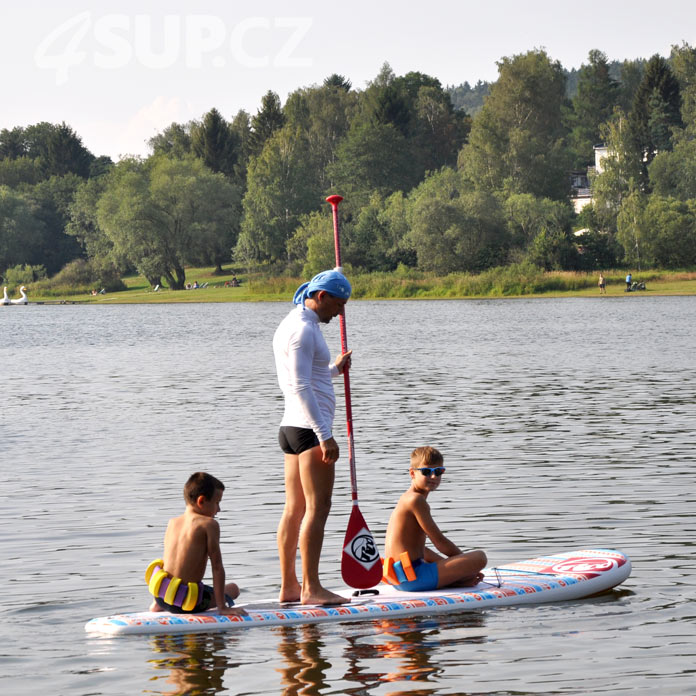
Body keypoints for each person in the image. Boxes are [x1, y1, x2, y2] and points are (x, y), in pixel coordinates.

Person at [273, 269, 353, 606]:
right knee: (318, 509)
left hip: (293, 429)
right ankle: (311, 588)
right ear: (321, 296)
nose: (340, 312)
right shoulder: (303, 331)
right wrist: (326, 436)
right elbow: (301, 387)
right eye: (338, 303)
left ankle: (290, 587)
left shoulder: (294, 324)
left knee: (295, 509)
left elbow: (311, 375)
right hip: (309, 431)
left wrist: (335, 369)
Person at [384, 446, 487, 592]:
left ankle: (456, 582)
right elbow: (440, 542)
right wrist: (469, 568)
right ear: (412, 473)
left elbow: (422, 550)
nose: (434, 477)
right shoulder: (416, 500)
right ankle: (457, 581)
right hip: (415, 579)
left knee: (429, 554)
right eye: (427, 472)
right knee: (480, 557)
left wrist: (454, 566)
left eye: (438, 472)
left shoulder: (405, 498)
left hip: (399, 581)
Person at [148, 472, 243, 615]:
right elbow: (217, 567)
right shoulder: (209, 524)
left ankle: (157, 605)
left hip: (161, 596)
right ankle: (180, 603)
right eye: (217, 503)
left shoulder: (172, 522)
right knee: (233, 589)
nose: (219, 509)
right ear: (201, 501)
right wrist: (222, 607)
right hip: (185, 604)